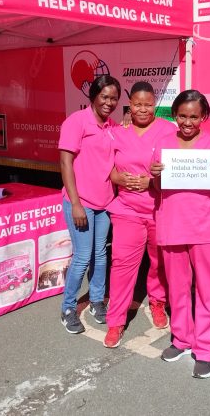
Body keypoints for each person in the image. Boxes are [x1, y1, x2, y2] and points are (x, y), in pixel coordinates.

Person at [151, 90, 210, 379]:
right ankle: (182, 339)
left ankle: (206, 348)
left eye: (194, 116)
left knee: (208, 290)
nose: (187, 122)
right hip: (172, 224)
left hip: (206, 226)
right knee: (177, 288)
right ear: (174, 114)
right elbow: (158, 188)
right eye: (182, 116)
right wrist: (156, 175)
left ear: (203, 117)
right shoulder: (163, 144)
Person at [103, 81, 175, 348]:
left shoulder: (169, 130)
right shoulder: (117, 133)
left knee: (159, 263)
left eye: (148, 104)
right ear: (129, 105)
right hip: (127, 209)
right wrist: (118, 178)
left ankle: (158, 302)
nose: (143, 109)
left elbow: (176, 169)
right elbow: (107, 167)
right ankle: (116, 321)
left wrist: (152, 182)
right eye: (137, 104)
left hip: (159, 209)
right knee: (122, 265)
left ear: (155, 104)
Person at [59, 75, 121, 334]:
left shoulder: (112, 126)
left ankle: (96, 301)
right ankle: (67, 308)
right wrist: (75, 203)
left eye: (114, 98)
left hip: (105, 203)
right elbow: (65, 163)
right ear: (93, 96)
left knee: (100, 254)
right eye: (104, 96)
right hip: (81, 202)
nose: (109, 102)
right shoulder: (76, 121)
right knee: (83, 256)